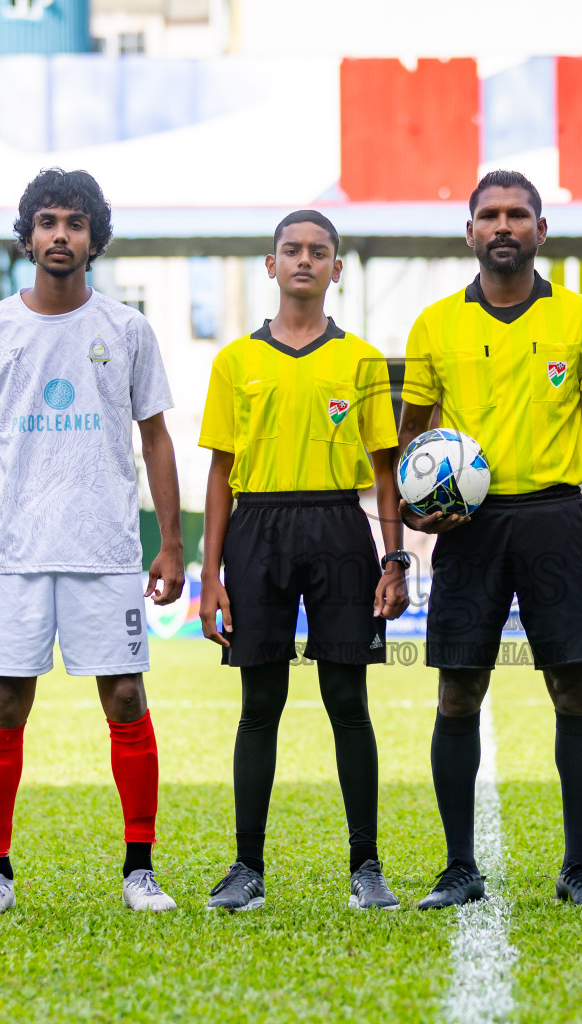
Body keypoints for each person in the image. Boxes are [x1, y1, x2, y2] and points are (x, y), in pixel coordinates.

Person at [0, 168, 186, 915]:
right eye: (47, 222)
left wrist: (171, 543)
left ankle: (139, 870)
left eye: (74, 223)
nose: (60, 235)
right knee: (7, 701)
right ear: (27, 238)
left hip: (106, 549)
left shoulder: (128, 329)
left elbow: (157, 440)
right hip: (17, 551)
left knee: (124, 697)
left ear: (93, 239)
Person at [400, 169, 582, 909]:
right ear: (470, 232)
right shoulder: (435, 323)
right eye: (490, 216)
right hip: (468, 527)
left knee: (573, 687)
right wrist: (413, 515)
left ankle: (579, 866)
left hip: (557, 518)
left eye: (518, 215)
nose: (504, 226)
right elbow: (410, 440)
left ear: (540, 229)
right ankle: (459, 867)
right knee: (459, 690)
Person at [197, 210, 409, 912]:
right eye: (292, 249)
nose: (304, 261)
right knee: (260, 704)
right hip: (256, 530)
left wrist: (394, 560)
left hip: (338, 527)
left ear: (337, 270)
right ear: (270, 263)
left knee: (348, 702)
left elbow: (385, 473)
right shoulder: (235, 362)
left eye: (319, 252)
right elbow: (221, 473)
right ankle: (247, 868)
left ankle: (366, 867)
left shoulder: (363, 362)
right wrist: (210, 577)